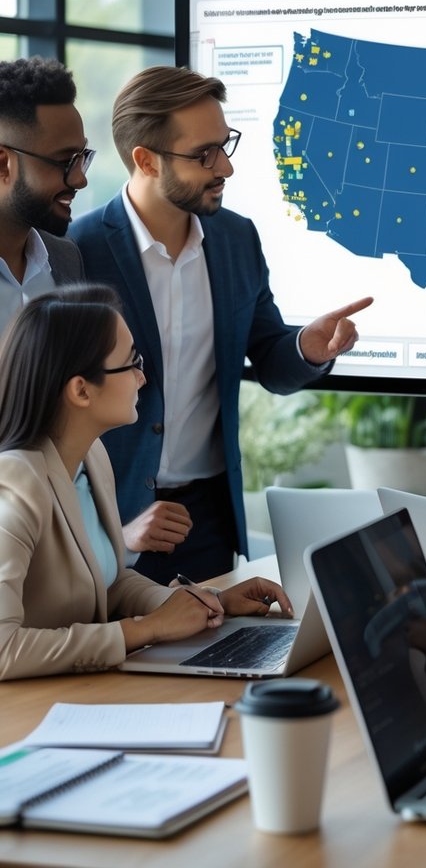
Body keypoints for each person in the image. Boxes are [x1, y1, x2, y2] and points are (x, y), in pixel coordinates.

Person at [69, 66, 372, 582]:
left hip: (207, 518)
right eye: (203, 153)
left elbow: (270, 357)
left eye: (225, 144)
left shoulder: (236, 239)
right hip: (110, 518)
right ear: (145, 159)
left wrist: (306, 349)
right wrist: (107, 529)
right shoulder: (80, 251)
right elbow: (55, 406)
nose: (225, 167)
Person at [0, 284, 290, 681]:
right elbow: (3, 650)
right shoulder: (14, 483)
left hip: (82, 690)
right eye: (131, 361)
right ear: (81, 390)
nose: (142, 376)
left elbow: (109, 582)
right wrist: (146, 630)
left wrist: (205, 603)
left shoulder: (91, 458)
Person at [0, 56, 88, 329]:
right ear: (3, 164)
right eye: (65, 162)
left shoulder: (66, 257)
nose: (80, 179)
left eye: (82, 158)